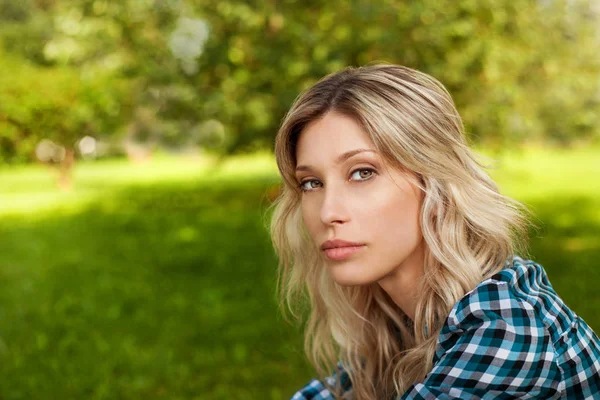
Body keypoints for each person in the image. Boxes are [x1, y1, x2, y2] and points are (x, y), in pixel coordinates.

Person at [267, 64, 600, 399]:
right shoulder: (402, 323)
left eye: (362, 173)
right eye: (311, 183)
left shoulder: (507, 330)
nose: (328, 212)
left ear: (436, 185)